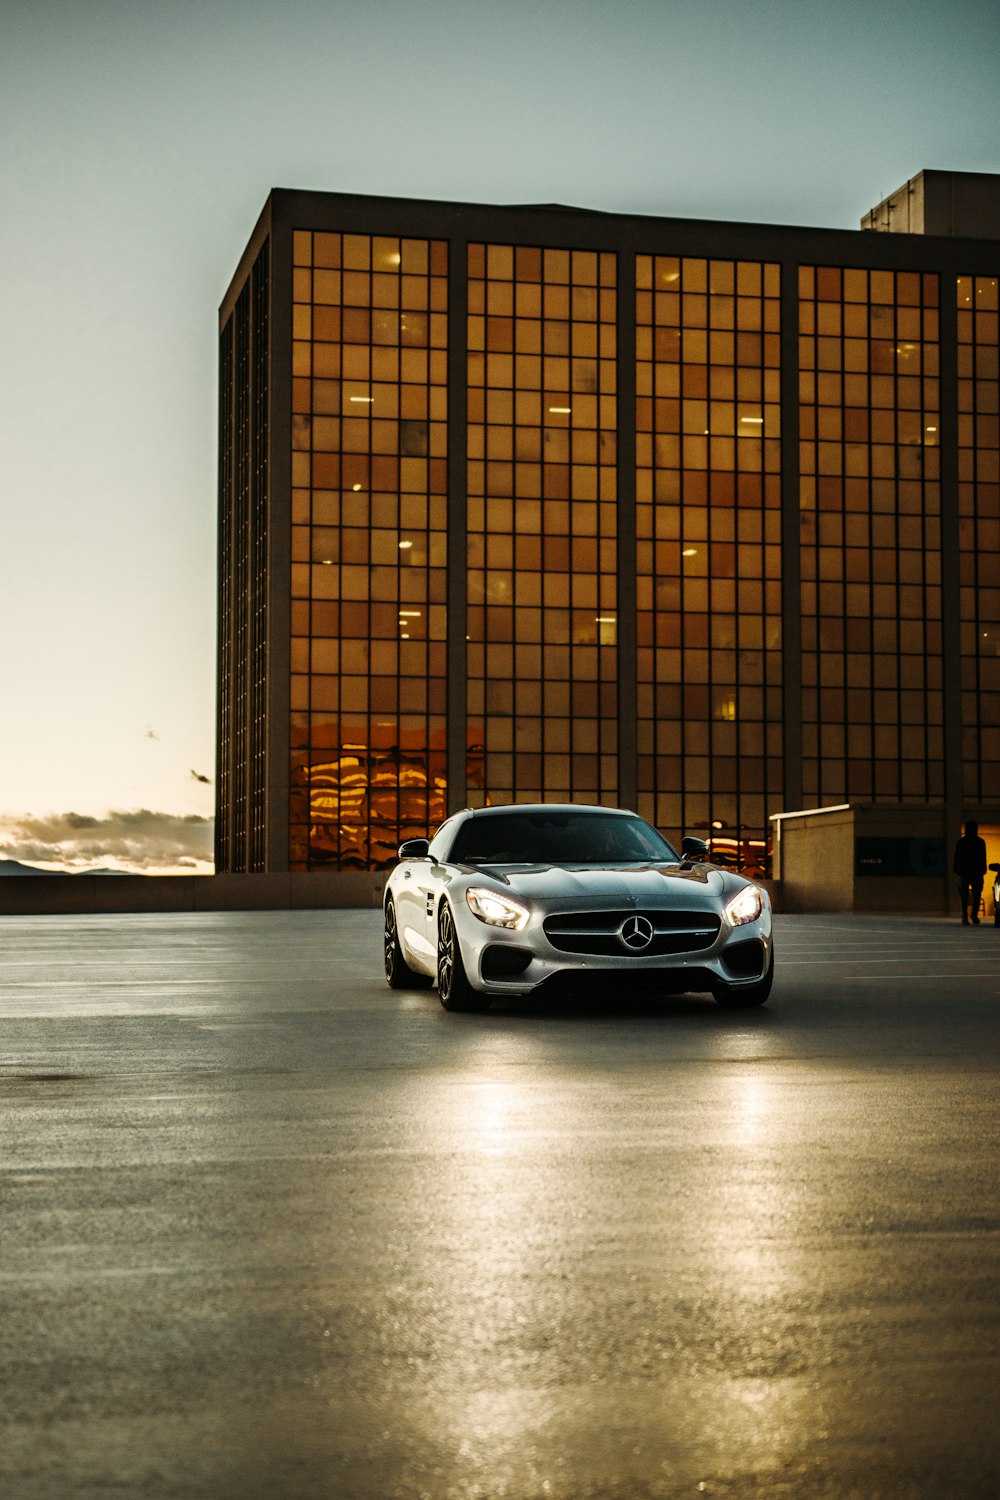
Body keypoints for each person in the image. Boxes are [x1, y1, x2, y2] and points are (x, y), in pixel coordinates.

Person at [953, 819, 988, 926]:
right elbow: (983, 857)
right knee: (976, 894)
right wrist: (983, 870)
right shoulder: (980, 842)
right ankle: (973, 915)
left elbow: (957, 857)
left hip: (964, 871)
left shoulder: (961, 842)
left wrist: (956, 868)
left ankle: (965, 916)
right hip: (976, 872)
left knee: (964, 895)